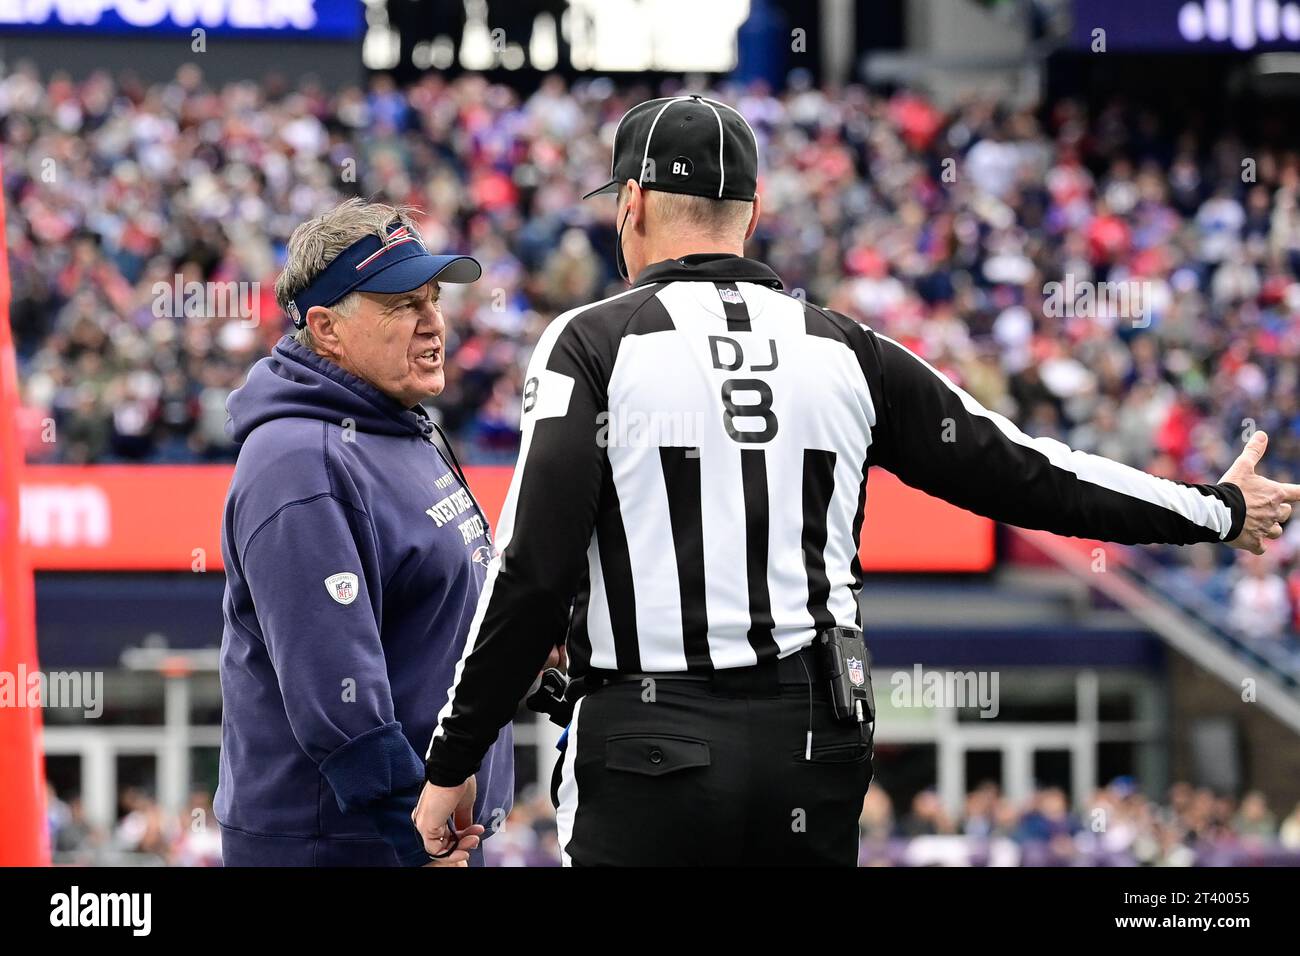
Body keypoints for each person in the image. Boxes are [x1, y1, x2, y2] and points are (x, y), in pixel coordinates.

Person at [414, 95, 1298, 866]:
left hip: (653, 743)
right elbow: (1028, 474)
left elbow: (530, 570)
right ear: (751, 211)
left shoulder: (592, 341)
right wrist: (1212, 510)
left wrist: (452, 762)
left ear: (632, 205)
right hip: (815, 741)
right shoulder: (845, 346)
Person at [215, 199, 512, 866]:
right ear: (325, 328)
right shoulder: (300, 461)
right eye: (403, 305)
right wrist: (421, 840)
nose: (435, 324)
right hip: (351, 847)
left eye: (434, 301)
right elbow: (339, 705)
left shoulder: (403, 421)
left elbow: (435, 622)